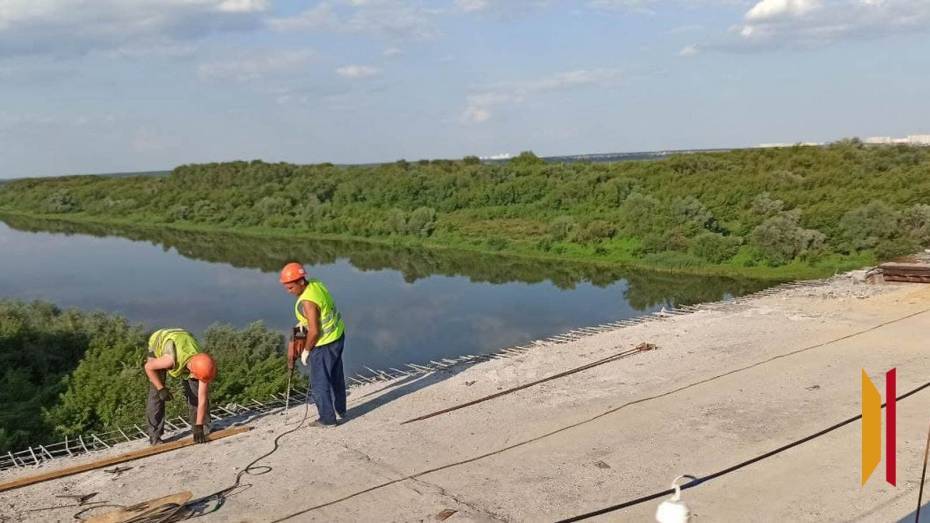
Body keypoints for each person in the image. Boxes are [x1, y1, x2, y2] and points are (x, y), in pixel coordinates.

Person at [279, 262, 347, 427]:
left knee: (319, 383)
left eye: (290, 287)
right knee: (336, 376)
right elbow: (306, 322)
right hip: (338, 336)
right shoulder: (316, 284)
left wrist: (306, 351)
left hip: (324, 344)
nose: (288, 291)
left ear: (301, 282)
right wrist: (296, 339)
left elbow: (314, 331)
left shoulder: (308, 302)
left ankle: (327, 419)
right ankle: (341, 410)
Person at [143, 328, 216, 445]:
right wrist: (161, 388)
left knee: (196, 391)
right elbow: (148, 367)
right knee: (156, 394)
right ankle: (154, 436)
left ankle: (205, 427)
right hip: (160, 341)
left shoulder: (203, 363)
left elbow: (202, 399)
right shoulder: (169, 360)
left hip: (183, 339)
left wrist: (199, 426)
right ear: (192, 369)